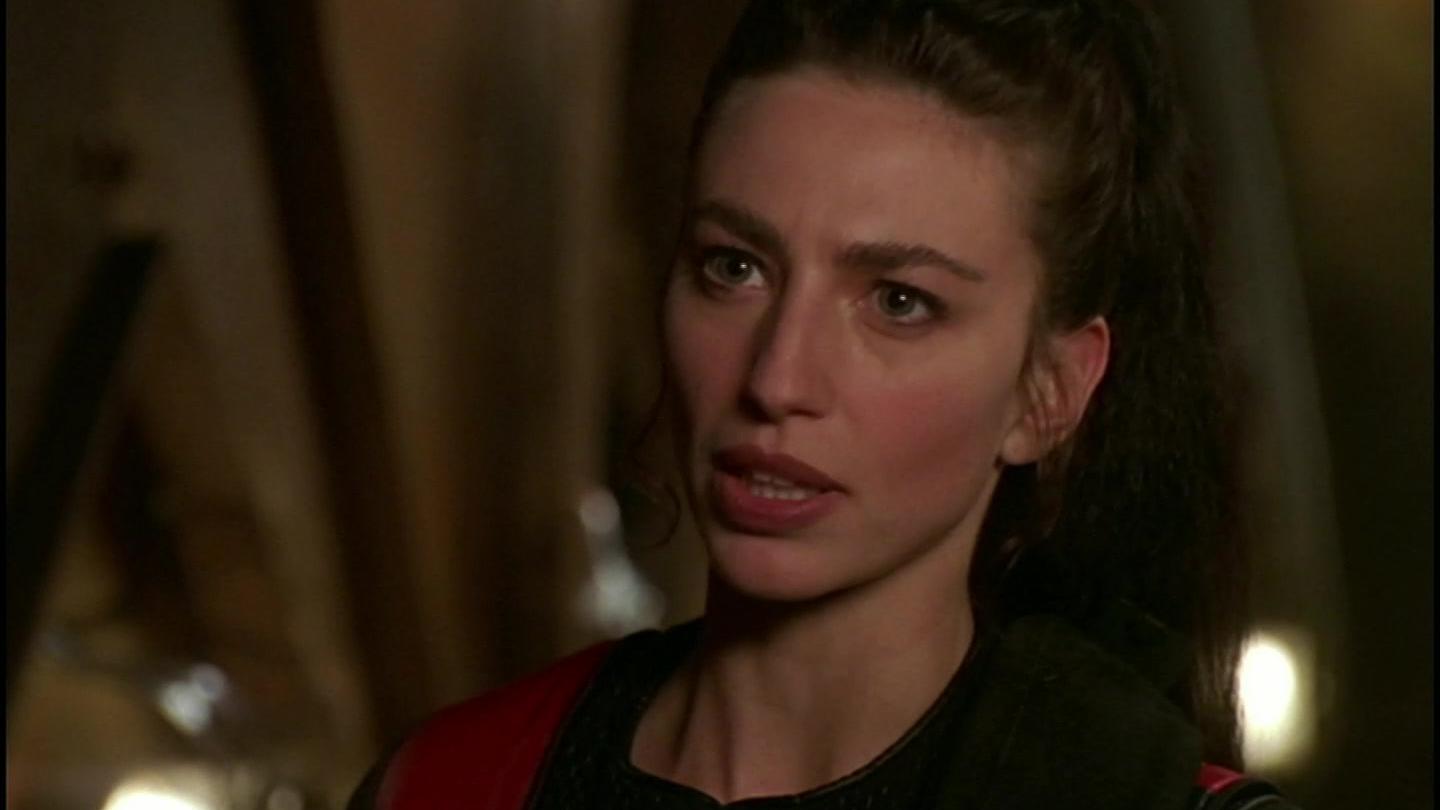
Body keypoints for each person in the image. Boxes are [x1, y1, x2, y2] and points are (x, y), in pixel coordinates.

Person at [350, 1, 1301, 807]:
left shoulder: (1136, 793)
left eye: (899, 302)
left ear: (1048, 392)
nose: (777, 380)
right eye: (735, 268)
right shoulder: (451, 782)